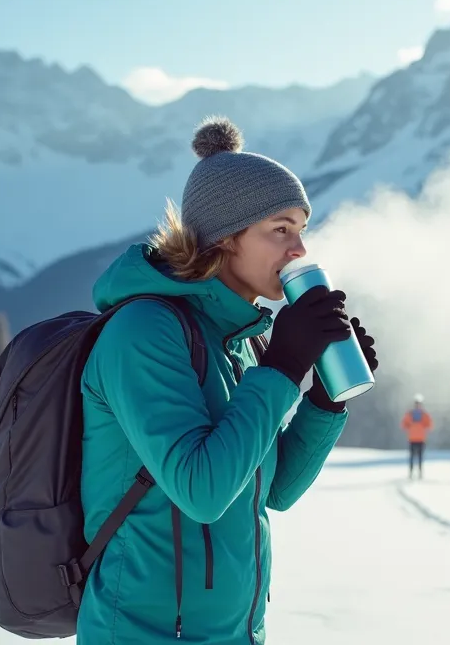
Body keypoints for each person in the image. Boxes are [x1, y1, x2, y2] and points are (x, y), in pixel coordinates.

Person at [76, 116, 379, 645]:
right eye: (280, 229)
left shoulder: (237, 339)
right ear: (225, 237)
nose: (299, 250)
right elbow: (203, 490)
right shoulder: (143, 332)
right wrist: (283, 368)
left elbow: (271, 491)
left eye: (301, 230)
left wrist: (323, 404)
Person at [401, 394, 433, 479]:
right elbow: (404, 424)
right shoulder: (411, 414)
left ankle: (420, 473)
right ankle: (411, 473)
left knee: (419, 457)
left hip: (420, 439)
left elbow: (429, 425)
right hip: (412, 439)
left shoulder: (423, 414)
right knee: (412, 457)